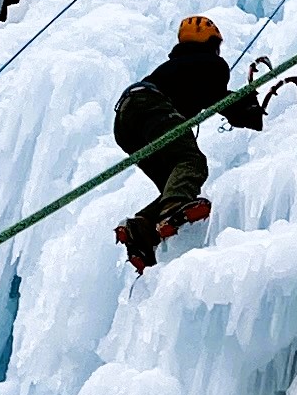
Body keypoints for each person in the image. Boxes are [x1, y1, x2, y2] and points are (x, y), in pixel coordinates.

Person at [112, 15, 266, 270]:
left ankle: (141, 229)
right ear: (210, 43)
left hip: (126, 122)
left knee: (178, 182)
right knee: (191, 162)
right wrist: (247, 110)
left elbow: (207, 95)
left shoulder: (175, 67)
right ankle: (171, 211)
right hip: (151, 107)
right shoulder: (210, 64)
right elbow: (217, 97)